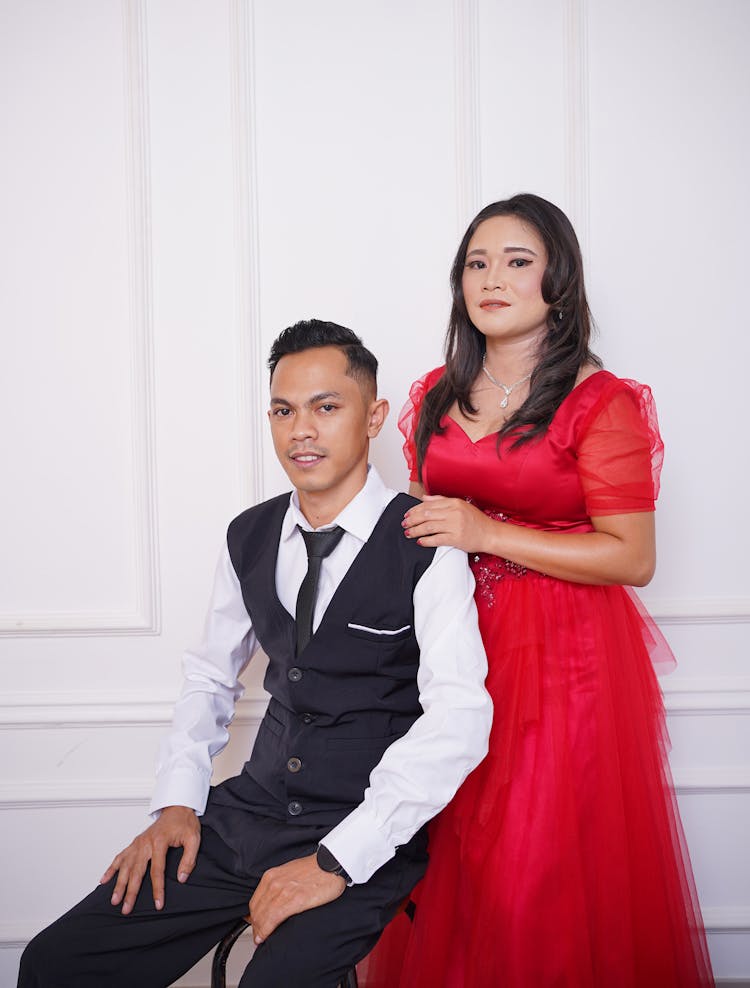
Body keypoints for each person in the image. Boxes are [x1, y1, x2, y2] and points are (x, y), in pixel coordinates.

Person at [18, 319, 492, 988]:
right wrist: (177, 803)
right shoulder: (249, 535)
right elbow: (210, 675)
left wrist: (336, 860)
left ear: (374, 417)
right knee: (58, 963)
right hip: (248, 816)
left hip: (365, 832)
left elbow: (458, 720)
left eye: (327, 407)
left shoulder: (426, 544)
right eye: (283, 409)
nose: (302, 429)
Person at [363, 195, 714, 986]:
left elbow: (632, 558)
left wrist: (487, 533)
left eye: (517, 261)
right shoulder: (435, 395)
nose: (492, 279)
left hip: (565, 657)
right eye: (477, 263)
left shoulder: (601, 400)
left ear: (559, 279)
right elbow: (427, 523)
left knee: (537, 867)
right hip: (454, 646)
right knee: (453, 856)